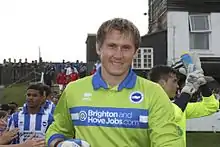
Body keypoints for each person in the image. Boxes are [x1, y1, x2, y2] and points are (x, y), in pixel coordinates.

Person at [46, 18, 184, 147]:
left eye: (126, 48)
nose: (118, 55)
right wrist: (59, 143)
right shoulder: (73, 90)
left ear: (135, 52)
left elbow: (168, 141)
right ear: (99, 48)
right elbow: (58, 128)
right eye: (112, 46)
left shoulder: (154, 92)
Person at [148, 65, 219, 145]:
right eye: (174, 81)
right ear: (162, 83)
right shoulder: (148, 106)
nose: (177, 86)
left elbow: (210, 107)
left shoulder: (178, 107)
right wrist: (187, 91)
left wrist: (202, 84)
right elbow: (170, 113)